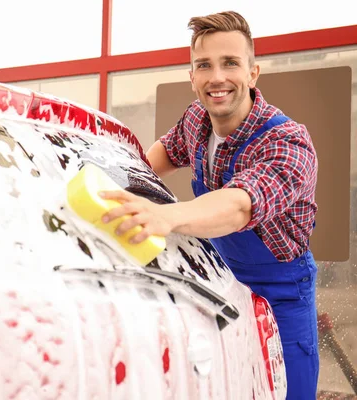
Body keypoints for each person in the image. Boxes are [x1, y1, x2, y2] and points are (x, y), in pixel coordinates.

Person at [99, 10, 319, 400]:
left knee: (286, 391)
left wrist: (164, 216)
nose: (217, 77)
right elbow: (161, 154)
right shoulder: (196, 121)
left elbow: (239, 206)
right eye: (205, 65)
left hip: (282, 294)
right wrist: (118, 186)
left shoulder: (287, 143)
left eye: (230, 63)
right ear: (192, 77)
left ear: (253, 73)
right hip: (219, 282)